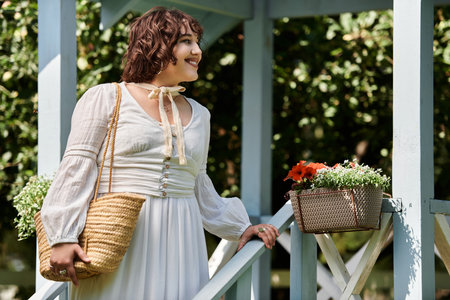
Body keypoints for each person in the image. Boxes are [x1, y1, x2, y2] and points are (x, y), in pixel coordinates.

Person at [40, 6, 279, 299]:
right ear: (155, 46)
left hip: (182, 236)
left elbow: (199, 184)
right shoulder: (106, 98)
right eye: (186, 41)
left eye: (196, 42)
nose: (197, 51)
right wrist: (63, 236)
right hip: (122, 234)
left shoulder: (200, 115)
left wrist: (239, 227)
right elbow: (76, 168)